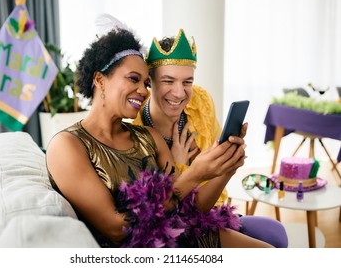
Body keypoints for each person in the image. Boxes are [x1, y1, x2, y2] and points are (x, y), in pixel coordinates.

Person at [46, 27, 273, 248]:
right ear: (100, 79)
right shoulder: (67, 145)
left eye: (145, 83)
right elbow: (117, 230)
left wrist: (226, 167)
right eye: (134, 79)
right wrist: (193, 174)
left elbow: (191, 208)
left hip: (188, 237)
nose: (143, 91)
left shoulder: (149, 137)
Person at [133, 29, 288, 248]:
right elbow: (165, 214)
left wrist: (227, 165)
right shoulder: (136, 130)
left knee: (277, 232)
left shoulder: (200, 103)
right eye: (168, 81)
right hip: (173, 232)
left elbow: (209, 202)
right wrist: (183, 167)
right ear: (150, 81)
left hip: (209, 212)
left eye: (187, 81)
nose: (179, 93)